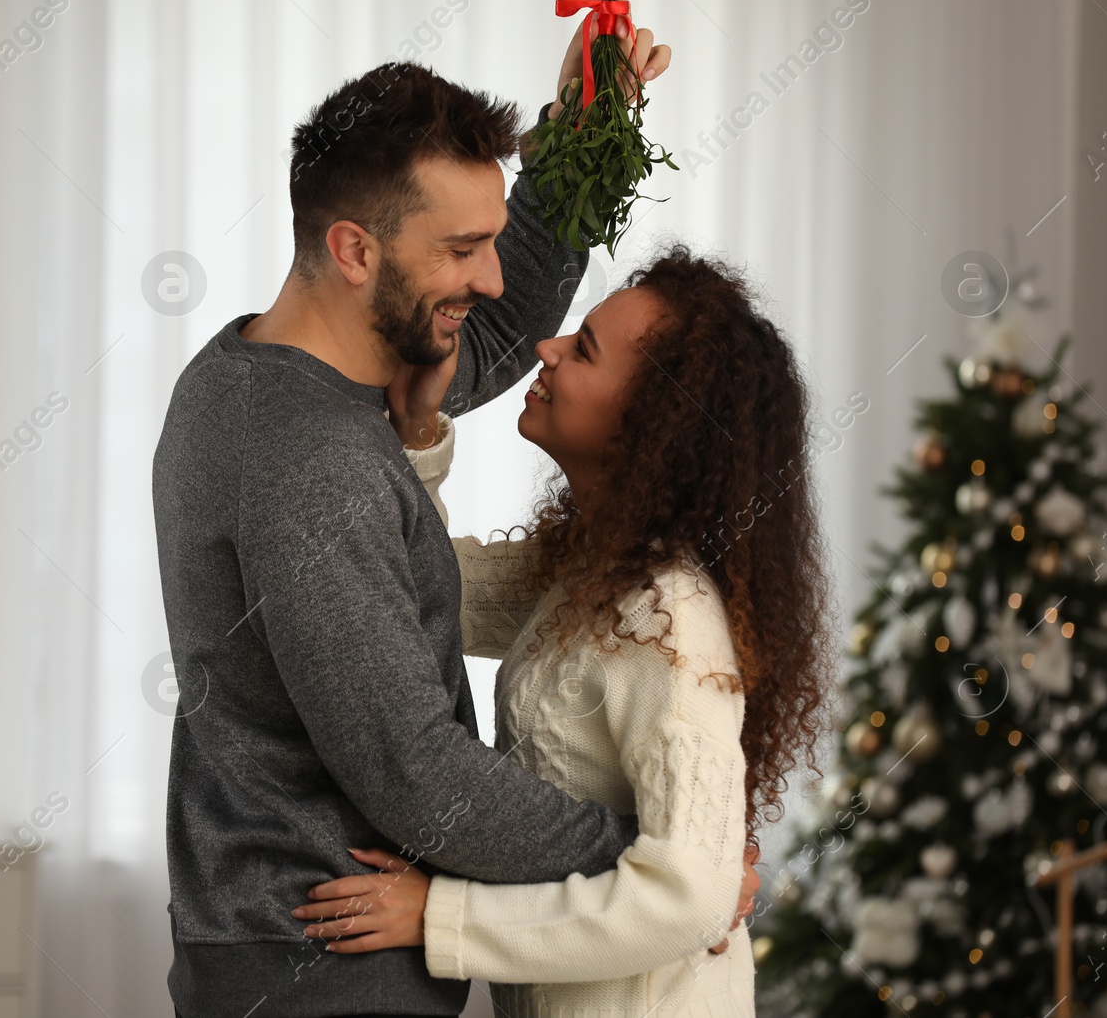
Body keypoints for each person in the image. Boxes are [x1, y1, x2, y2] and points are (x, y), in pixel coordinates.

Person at [151, 22, 755, 1017]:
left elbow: (503, 331)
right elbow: (419, 774)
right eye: (462, 248)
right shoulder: (315, 457)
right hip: (322, 960)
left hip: (286, 943)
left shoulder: (270, 379)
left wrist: (580, 130)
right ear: (354, 250)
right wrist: (666, 864)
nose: (487, 279)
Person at [288, 246, 837, 1017]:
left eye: (582, 349)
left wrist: (438, 916)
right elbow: (414, 590)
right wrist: (416, 433)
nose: (545, 349)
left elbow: (688, 896)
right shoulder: (589, 570)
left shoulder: (664, 615)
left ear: (653, 422)